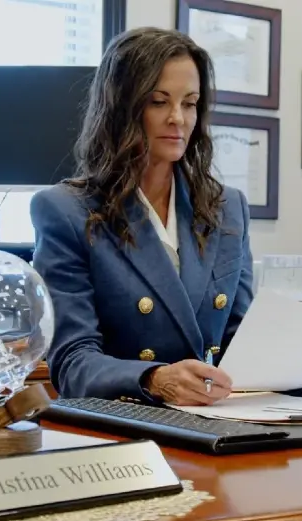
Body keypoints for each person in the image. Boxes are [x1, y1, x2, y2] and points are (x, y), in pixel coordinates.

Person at [30, 27, 253, 406]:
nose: (178, 119)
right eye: (158, 101)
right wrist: (153, 378)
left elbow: (242, 341)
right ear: (121, 107)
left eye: (189, 103)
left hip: (218, 423)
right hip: (127, 431)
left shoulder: (227, 206)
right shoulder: (65, 210)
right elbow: (71, 363)